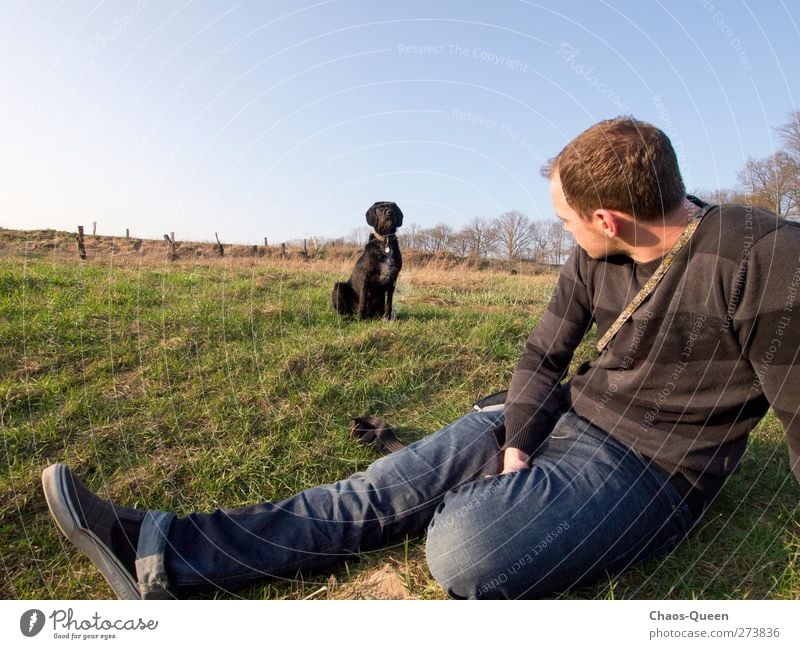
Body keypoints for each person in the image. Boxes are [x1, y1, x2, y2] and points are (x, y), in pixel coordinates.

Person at [42, 117, 800, 600]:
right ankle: (158, 548)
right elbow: (544, 353)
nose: (565, 234)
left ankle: (466, 505)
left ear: (611, 218)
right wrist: (513, 443)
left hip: (652, 468)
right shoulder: (593, 255)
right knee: (370, 493)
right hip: (564, 418)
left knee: (462, 547)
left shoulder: (761, 257)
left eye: (568, 222)